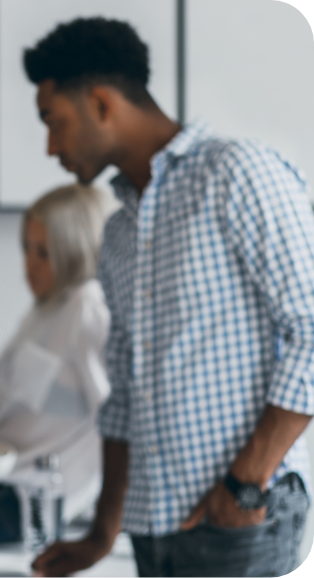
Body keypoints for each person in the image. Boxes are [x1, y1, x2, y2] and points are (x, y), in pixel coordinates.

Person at [22, 17, 314, 578]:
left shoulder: (236, 173)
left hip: (238, 519)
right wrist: (103, 532)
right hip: (152, 524)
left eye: (53, 122)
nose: (51, 145)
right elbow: (125, 394)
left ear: (102, 103)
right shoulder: (120, 231)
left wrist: (245, 484)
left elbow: (310, 330)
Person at [0, 183, 111, 544]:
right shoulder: (46, 310)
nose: (29, 265)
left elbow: (118, 418)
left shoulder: (87, 308)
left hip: (25, 499)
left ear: (76, 253)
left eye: (44, 253)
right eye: (27, 249)